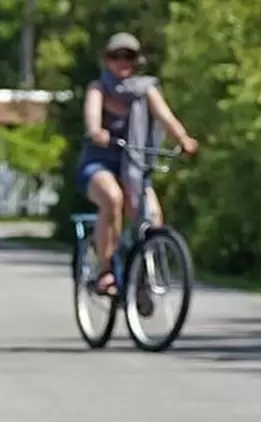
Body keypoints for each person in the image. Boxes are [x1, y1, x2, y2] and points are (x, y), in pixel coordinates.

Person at [77, 33, 199, 297]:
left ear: (137, 61)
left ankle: (142, 273)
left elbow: (166, 117)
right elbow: (92, 116)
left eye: (128, 56)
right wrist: (97, 131)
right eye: (116, 56)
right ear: (106, 60)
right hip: (100, 164)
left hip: (134, 166)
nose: (122, 62)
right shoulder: (98, 89)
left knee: (152, 217)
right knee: (113, 198)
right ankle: (105, 270)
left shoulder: (145, 90)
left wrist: (183, 139)